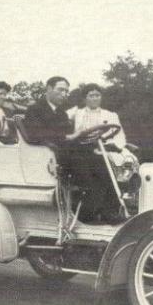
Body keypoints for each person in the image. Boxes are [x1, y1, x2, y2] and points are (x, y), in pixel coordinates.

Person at [23, 77, 121, 222]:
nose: (64, 94)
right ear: (49, 89)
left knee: (103, 163)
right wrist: (69, 136)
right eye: (60, 90)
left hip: (66, 152)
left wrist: (86, 137)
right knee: (86, 167)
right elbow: (35, 134)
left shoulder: (61, 113)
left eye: (66, 91)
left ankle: (109, 212)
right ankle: (88, 215)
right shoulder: (35, 109)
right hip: (51, 155)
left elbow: (72, 136)